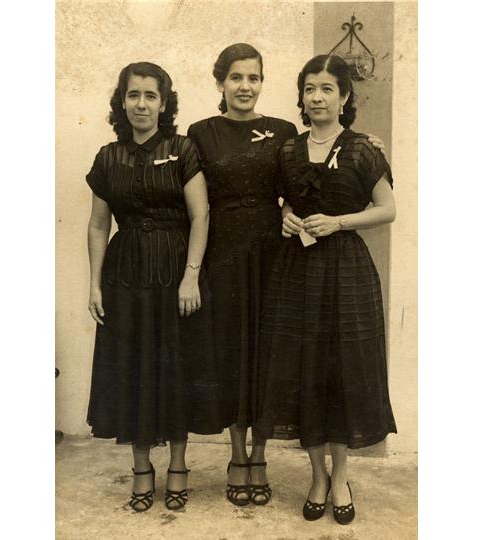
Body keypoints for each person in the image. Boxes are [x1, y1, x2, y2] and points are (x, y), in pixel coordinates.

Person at [187, 44, 386, 507]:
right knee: (233, 353)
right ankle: (238, 456)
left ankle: (260, 456)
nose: (245, 86)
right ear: (220, 82)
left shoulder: (281, 132)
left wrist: (369, 146)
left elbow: (303, 182)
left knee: (270, 356)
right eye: (236, 77)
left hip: (276, 256)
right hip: (225, 253)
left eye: (253, 78)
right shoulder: (201, 132)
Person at [255, 54, 398, 526]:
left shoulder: (361, 149)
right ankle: (317, 476)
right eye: (309, 88)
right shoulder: (288, 151)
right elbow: (281, 203)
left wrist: (338, 222)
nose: (317, 97)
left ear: (344, 96)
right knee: (304, 373)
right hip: (296, 274)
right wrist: (285, 217)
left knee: (341, 374)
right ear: (301, 96)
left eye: (327, 89)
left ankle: (341, 479)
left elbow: (387, 209)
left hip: (346, 275)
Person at [84, 62, 223, 513]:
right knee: (132, 370)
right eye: (133, 95)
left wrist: (190, 276)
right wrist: (94, 285)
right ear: (121, 102)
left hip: (174, 276)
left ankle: (179, 467)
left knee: (176, 370)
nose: (141, 104)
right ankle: (141, 469)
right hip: (125, 278)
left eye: (150, 96)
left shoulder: (182, 149)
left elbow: (200, 215)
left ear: (164, 104)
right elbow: (98, 225)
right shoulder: (108, 157)